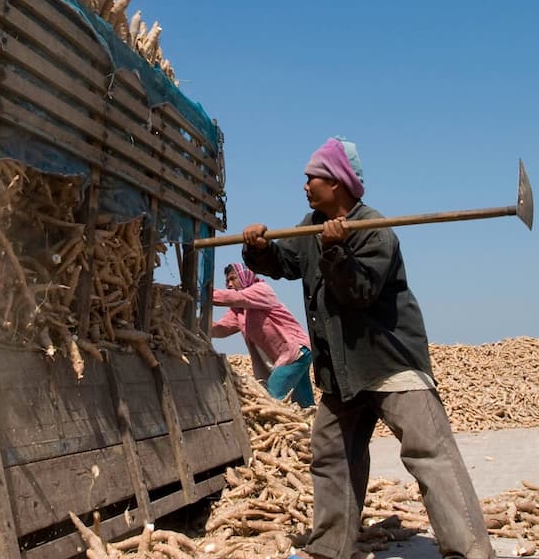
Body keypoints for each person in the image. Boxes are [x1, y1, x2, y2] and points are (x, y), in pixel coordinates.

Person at [240, 137, 495, 559]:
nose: (304, 184)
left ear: (337, 183)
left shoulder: (373, 231)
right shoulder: (309, 228)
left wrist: (337, 250)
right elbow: (284, 264)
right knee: (331, 455)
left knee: (429, 455)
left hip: (389, 362)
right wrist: (258, 248)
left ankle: (469, 552)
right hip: (341, 370)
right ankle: (329, 548)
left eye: (312, 177)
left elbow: (358, 292)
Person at [210, 263, 314, 407]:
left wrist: (202, 293)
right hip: (293, 355)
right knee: (305, 404)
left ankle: (275, 427)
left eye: (233, 279)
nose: (229, 284)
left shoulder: (261, 290)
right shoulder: (239, 311)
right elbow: (222, 329)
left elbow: (233, 297)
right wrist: (198, 325)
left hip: (296, 352)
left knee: (270, 397)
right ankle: (311, 427)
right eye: (227, 281)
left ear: (244, 276)